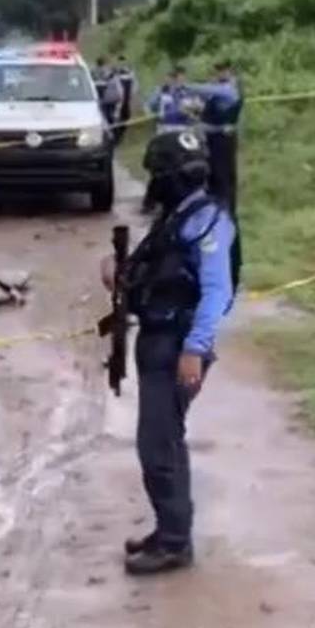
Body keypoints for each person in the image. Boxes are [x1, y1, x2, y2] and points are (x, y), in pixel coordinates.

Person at [102, 130, 238, 576]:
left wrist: (195, 349)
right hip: (158, 337)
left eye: (158, 174)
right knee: (164, 440)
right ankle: (170, 529)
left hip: (178, 342)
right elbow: (155, 269)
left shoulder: (209, 221)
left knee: (158, 445)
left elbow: (216, 291)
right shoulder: (178, 216)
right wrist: (118, 273)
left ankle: (176, 543)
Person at [142, 67, 200, 213]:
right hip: (165, 130)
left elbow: (198, 110)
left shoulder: (189, 92)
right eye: (176, 78)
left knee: (184, 164)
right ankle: (151, 200)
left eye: (181, 78)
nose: (179, 81)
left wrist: (194, 113)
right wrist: (154, 115)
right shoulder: (161, 92)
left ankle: (183, 196)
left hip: (184, 131)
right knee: (162, 167)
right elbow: (148, 107)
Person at [191, 61, 244, 217]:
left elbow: (208, 90)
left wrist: (185, 86)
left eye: (223, 71)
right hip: (214, 139)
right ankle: (216, 207)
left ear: (230, 72)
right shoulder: (218, 90)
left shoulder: (229, 89)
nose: (220, 74)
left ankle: (226, 209)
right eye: (218, 71)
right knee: (213, 174)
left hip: (223, 139)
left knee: (223, 176)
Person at [113, 55, 138, 147]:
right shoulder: (115, 73)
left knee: (126, 117)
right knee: (116, 118)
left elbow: (135, 84)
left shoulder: (130, 72)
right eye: (120, 62)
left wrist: (133, 95)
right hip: (118, 100)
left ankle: (120, 136)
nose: (121, 64)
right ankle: (116, 138)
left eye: (123, 62)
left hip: (127, 100)